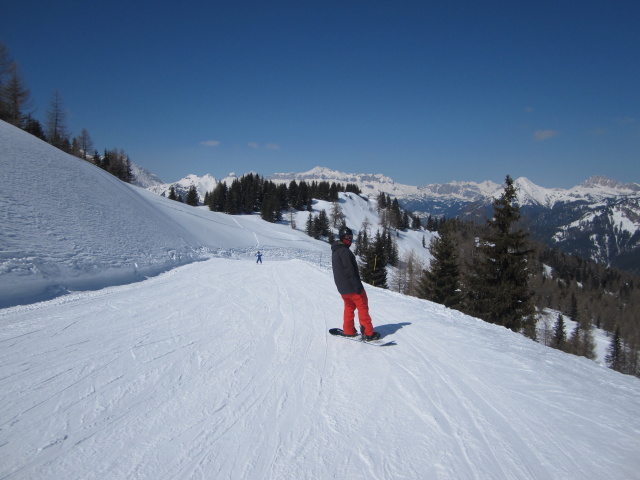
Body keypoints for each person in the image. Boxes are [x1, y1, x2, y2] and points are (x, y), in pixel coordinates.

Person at [331, 226, 380, 341]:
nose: (350, 240)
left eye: (351, 237)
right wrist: (358, 287)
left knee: (349, 307)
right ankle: (368, 333)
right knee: (362, 306)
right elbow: (350, 271)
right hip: (352, 287)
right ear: (342, 237)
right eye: (347, 237)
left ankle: (349, 330)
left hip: (343, 289)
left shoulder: (336, 251)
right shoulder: (345, 252)